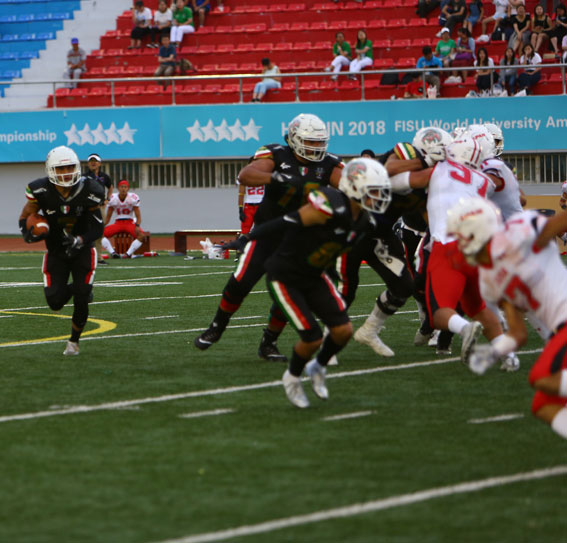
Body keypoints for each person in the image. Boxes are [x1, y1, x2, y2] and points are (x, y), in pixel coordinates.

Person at [232, 158, 391, 408]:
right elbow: (286, 222)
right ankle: (292, 377)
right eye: (373, 191)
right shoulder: (328, 205)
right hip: (285, 275)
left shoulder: (364, 221)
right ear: (354, 189)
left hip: (315, 276)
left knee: (343, 331)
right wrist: (248, 238)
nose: (379, 196)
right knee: (312, 337)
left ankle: (317, 367)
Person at [194, 113, 344, 362]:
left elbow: (350, 186)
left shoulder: (329, 164)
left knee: (289, 293)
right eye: (311, 142)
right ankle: (217, 327)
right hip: (268, 234)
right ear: (294, 138)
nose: (316, 147)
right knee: (240, 281)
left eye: (319, 142)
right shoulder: (275, 154)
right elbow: (246, 175)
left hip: (300, 241)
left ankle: (269, 342)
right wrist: (277, 177)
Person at [388, 136, 514, 367]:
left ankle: (465, 329)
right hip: (478, 250)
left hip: (447, 246)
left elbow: (396, 182)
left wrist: (419, 164)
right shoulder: (484, 181)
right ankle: (510, 356)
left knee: (439, 313)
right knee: (478, 307)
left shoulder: (439, 170)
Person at [448, 198, 567, 440]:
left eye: (461, 236)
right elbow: (518, 333)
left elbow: (560, 222)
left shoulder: (518, 231)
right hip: (558, 329)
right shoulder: (488, 279)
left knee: (541, 377)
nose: (457, 244)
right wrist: (491, 353)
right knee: (542, 405)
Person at [18, 146, 105, 356]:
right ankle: (79, 288)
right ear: (50, 170)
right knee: (55, 302)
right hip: (56, 249)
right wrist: (29, 233)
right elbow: (25, 217)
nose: (66, 173)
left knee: (82, 296)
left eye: (69, 167)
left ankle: (74, 342)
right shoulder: (39, 190)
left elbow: (98, 227)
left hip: (82, 249)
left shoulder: (90, 189)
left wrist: (81, 239)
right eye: (60, 168)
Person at [100, 180, 147, 258]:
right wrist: (102, 225)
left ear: (128, 188)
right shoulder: (113, 198)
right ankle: (113, 253)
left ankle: (128, 254)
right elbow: (108, 217)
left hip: (129, 222)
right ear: (118, 188)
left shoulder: (133, 197)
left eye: (125, 187)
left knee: (141, 236)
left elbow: (138, 215)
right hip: (118, 223)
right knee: (99, 234)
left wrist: (137, 226)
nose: (123, 189)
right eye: (122, 187)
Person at [84, 153, 113, 265]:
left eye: (95, 161)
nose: (93, 163)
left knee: (100, 231)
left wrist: (108, 199)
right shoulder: (84, 176)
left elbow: (110, 187)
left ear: (99, 163)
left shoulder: (104, 176)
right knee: (85, 230)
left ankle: (99, 258)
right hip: (86, 207)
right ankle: (86, 257)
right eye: (91, 161)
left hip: (99, 207)